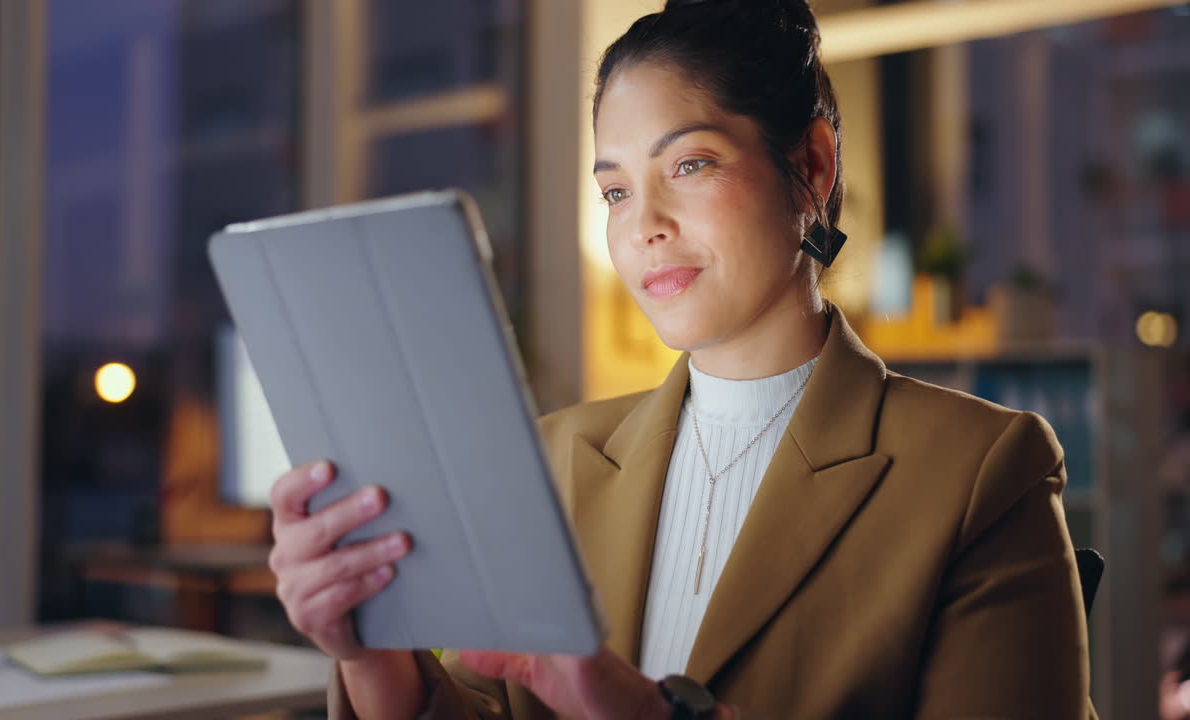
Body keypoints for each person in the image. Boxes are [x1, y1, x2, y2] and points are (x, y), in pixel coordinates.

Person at [266, 0, 1097, 717]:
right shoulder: (552, 459)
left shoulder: (982, 471)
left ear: (811, 165)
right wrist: (369, 648)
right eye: (616, 190)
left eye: (690, 164)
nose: (642, 225)